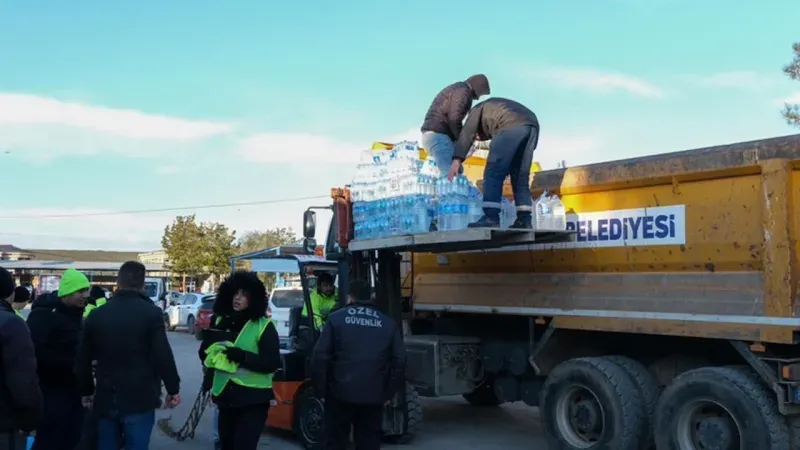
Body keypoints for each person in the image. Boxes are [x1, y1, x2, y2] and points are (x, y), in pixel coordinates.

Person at [74, 261, 180, 450]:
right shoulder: (151, 313)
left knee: (106, 445)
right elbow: (163, 354)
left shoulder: (97, 315)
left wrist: (86, 391)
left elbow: (82, 359)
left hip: (106, 397)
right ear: (142, 284)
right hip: (141, 397)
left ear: (118, 282)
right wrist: (173, 389)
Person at [311, 279, 406, 450]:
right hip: (373, 396)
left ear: (349, 297)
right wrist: (388, 393)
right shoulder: (388, 324)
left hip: (339, 394)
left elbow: (320, 356)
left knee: (335, 442)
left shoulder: (335, 319)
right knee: (368, 442)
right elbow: (399, 360)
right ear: (373, 296)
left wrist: (321, 391)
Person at [199, 271, 280, 450]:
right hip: (225, 398)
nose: (238, 298)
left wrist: (242, 357)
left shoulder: (264, 326)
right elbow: (209, 356)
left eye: (244, 295)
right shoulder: (219, 320)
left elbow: (272, 363)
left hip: (253, 401)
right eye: (235, 293)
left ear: (254, 299)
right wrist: (206, 355)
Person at [447, 97, 540, 230]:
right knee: (520, 176)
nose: (479, 138)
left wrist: (456, 160)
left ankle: (491, 217)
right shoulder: (493, 109)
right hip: (532, 125)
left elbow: (467, 134)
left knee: (493, 171)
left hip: (511, 124)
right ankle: (524, 219)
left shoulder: (476, 111)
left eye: (478, 136)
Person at [26, 268, 89, 450]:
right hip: (51, 392)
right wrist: (72, 362)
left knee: (74, 438)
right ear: (67, 292)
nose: (84, 295)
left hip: (75, 392)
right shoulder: (44, 316)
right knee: (51, 439)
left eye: (86, 290)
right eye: (80, 291)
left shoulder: (78, 317)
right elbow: (35, 353)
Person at [0, 268, 42, 450]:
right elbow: (22, 380)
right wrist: (31, 418)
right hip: (4, 423)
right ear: (10, 293)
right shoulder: (11, 324)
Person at [421, 74, 491, 172]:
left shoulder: (458, 89)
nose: (479, 97)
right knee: (451, 176)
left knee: (456, 172)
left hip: (434, 135)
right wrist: (463, 140)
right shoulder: (463, 92)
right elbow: (454, 119)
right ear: (478, 87)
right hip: (439, 137)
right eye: (481, 93)